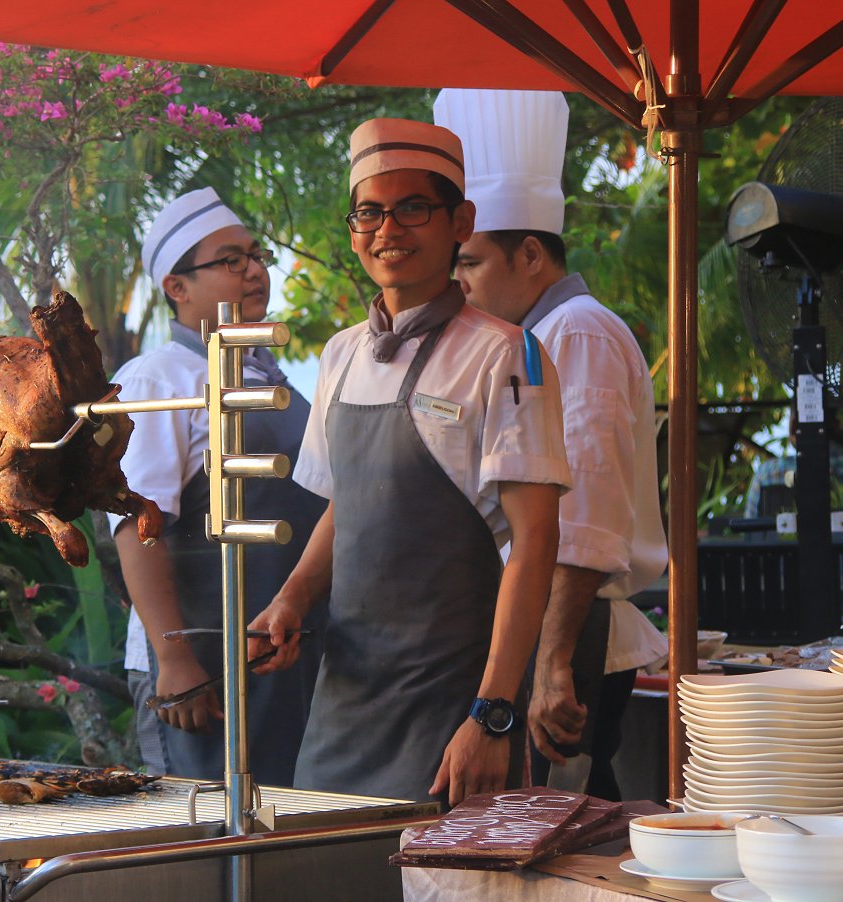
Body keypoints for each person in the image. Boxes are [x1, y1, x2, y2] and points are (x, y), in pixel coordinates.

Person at [248, 119, 570, 806]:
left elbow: (536, 540)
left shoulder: (506, 353)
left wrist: (490, 714)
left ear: (460, 222)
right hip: (345, 697)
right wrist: (290, 600)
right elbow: (348, 502)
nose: (386, 229)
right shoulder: (339, 354)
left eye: (411, 209)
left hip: (451, 700)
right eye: (368, 211)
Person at [436, 88, 669, 800]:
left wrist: (553, 661)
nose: (459, 286)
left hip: (576, 629)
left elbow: (586, 513)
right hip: (545, 626)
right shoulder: (527, 341)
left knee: (556, 828)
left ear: (530, 253)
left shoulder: (576, 331)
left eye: (470, 264)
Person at [111, 188, 327, 784]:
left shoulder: (269, 375)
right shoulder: (159, 378)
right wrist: (175, 659)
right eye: (230, 260)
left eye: (256, 256)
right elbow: (137, 523)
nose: (253, 271)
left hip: (281, 651)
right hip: (201, 664)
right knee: (205, 838)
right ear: (176, 288)